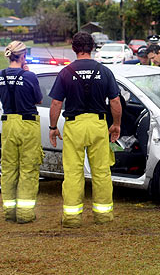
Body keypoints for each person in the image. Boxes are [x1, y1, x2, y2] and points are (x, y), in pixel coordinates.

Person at [48, 31, 122, 228]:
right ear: (92, 48)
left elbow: (56, 103)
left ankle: (72, 218)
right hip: (99, 125)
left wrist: (53, 127)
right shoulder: (104, 71)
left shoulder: (65, 72)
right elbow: (115, 101)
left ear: (74, 48)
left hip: (74, 125)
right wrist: (116, 124)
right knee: (101, 172)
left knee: (73, 173)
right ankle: (103, 216)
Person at [0, 41, 43, 223]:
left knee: (9, 169)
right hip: (27, 124)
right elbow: (38, 99)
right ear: (23, 57)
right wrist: (28, 73)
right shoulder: (29, 77)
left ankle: (9, 212)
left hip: (8, 124)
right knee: (28, 168)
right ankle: (25, 214)